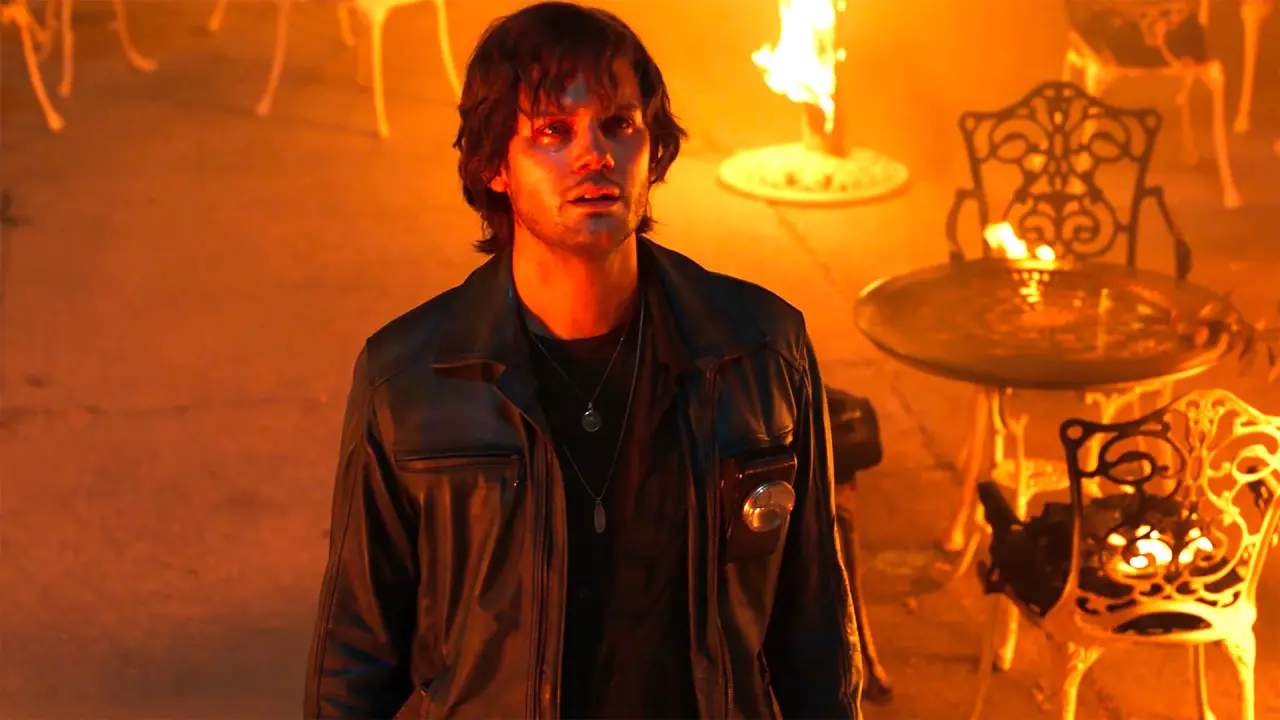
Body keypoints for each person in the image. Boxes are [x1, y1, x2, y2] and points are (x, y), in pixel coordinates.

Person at [302, 2, 862, 718]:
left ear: (652, 150)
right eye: (553, 132)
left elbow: (814, 628)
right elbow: (354, 657)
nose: (594, 155)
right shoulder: (410, 381)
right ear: (495, 166)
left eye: (618, 125)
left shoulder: (760, 351)